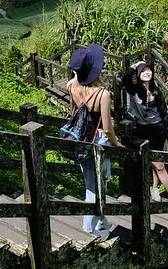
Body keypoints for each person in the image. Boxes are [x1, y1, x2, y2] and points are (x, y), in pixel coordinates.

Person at [67, 44, 123, 239]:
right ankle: (88, 230)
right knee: (96, 186)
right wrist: (117, 145)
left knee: (90, 181)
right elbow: (107, 128)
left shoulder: (71, 86)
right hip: (99, 141)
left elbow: (76, 109)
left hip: (81, 140)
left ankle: (101, 219)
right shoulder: (103, 94)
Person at [124, 61, 168, 202]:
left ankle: (155, 189)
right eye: (143, 71)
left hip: (159, 130)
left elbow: (164, 113)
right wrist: (136, 65)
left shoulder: (156, 90)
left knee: (157, 163)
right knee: (159, 165)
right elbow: (125, 78)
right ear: (138, 74)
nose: (147, 72)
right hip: (144, 130)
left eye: (149, 70)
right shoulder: (134, 90)